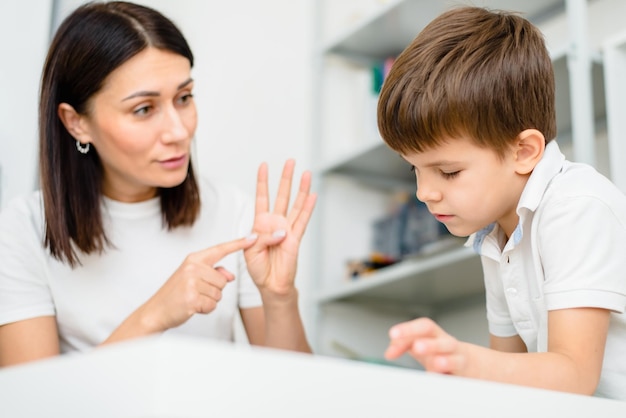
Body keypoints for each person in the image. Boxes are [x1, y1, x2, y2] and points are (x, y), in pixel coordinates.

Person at [0, 1, 316, 366]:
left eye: (184, 98)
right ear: (76, 123)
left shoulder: (233, 213)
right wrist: (154, 316)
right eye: (144, 109)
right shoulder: (23, 230)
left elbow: (296, 391)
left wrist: (279, 297)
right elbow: (35, 404)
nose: (179, 131)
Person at [377, 6, 626, 400]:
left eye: (448, 172)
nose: (425, 192)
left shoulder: (576, 207)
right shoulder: (495, 236)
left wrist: (464, 361)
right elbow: (508, 386)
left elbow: (576, 374)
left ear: (524, 152)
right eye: (415, 171)